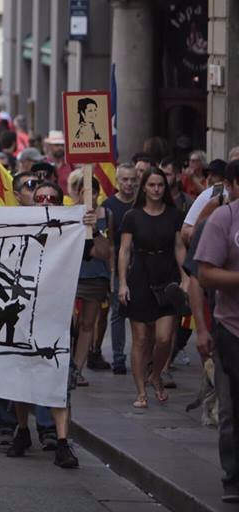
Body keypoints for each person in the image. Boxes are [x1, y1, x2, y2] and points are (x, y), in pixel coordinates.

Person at [5, 180, 81, 468]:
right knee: (22, 377)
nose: (46, 201)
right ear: (32, 202)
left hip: (56, 316)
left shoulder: (72, 231)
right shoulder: (19, 227)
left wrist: (88, 228)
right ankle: (22, 431)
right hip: (23, 314)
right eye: (41, 198)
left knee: (57, 377)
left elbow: (99, 253)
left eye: (52, 197)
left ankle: (62, 442)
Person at [117, 166, 188, 410]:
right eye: (152, 185)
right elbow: (124, 251)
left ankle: (156, 374)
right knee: (140, 339)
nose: (157, 189)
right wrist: (123, 283)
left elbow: (180, 247)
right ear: (144, 188)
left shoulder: (173, 214)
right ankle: (141, 392)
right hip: (140, 276)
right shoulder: (132, 216)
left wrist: (185, 278)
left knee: (164, 337)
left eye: (160, 185)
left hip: (166, 277)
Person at [194, 159, 239, 503]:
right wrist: (202, 329)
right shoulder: (223, 218)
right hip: (232, 329)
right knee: (232, 409)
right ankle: (234, 478)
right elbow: (204, 274)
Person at [70, 177, 113, 388]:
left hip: (96, 276)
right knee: (68, 324)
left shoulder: (106, 216)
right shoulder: (67, 214)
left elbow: (106, 252)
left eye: (93, 192)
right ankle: (66, 366)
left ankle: (77, 369)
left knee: (88, 324)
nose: (89, 197)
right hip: (70, 275)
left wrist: (94, 229)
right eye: (83, 192)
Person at [102, 163, 139, 375]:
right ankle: (118, 358)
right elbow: (109, 244)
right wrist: (112, 273)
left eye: (133, 179)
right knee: (118, 313)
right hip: (117, 267)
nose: (129, 184)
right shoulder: (109, 206)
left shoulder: (141, 204)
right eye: (125, 179)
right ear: (117, 182)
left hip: (141, 266)